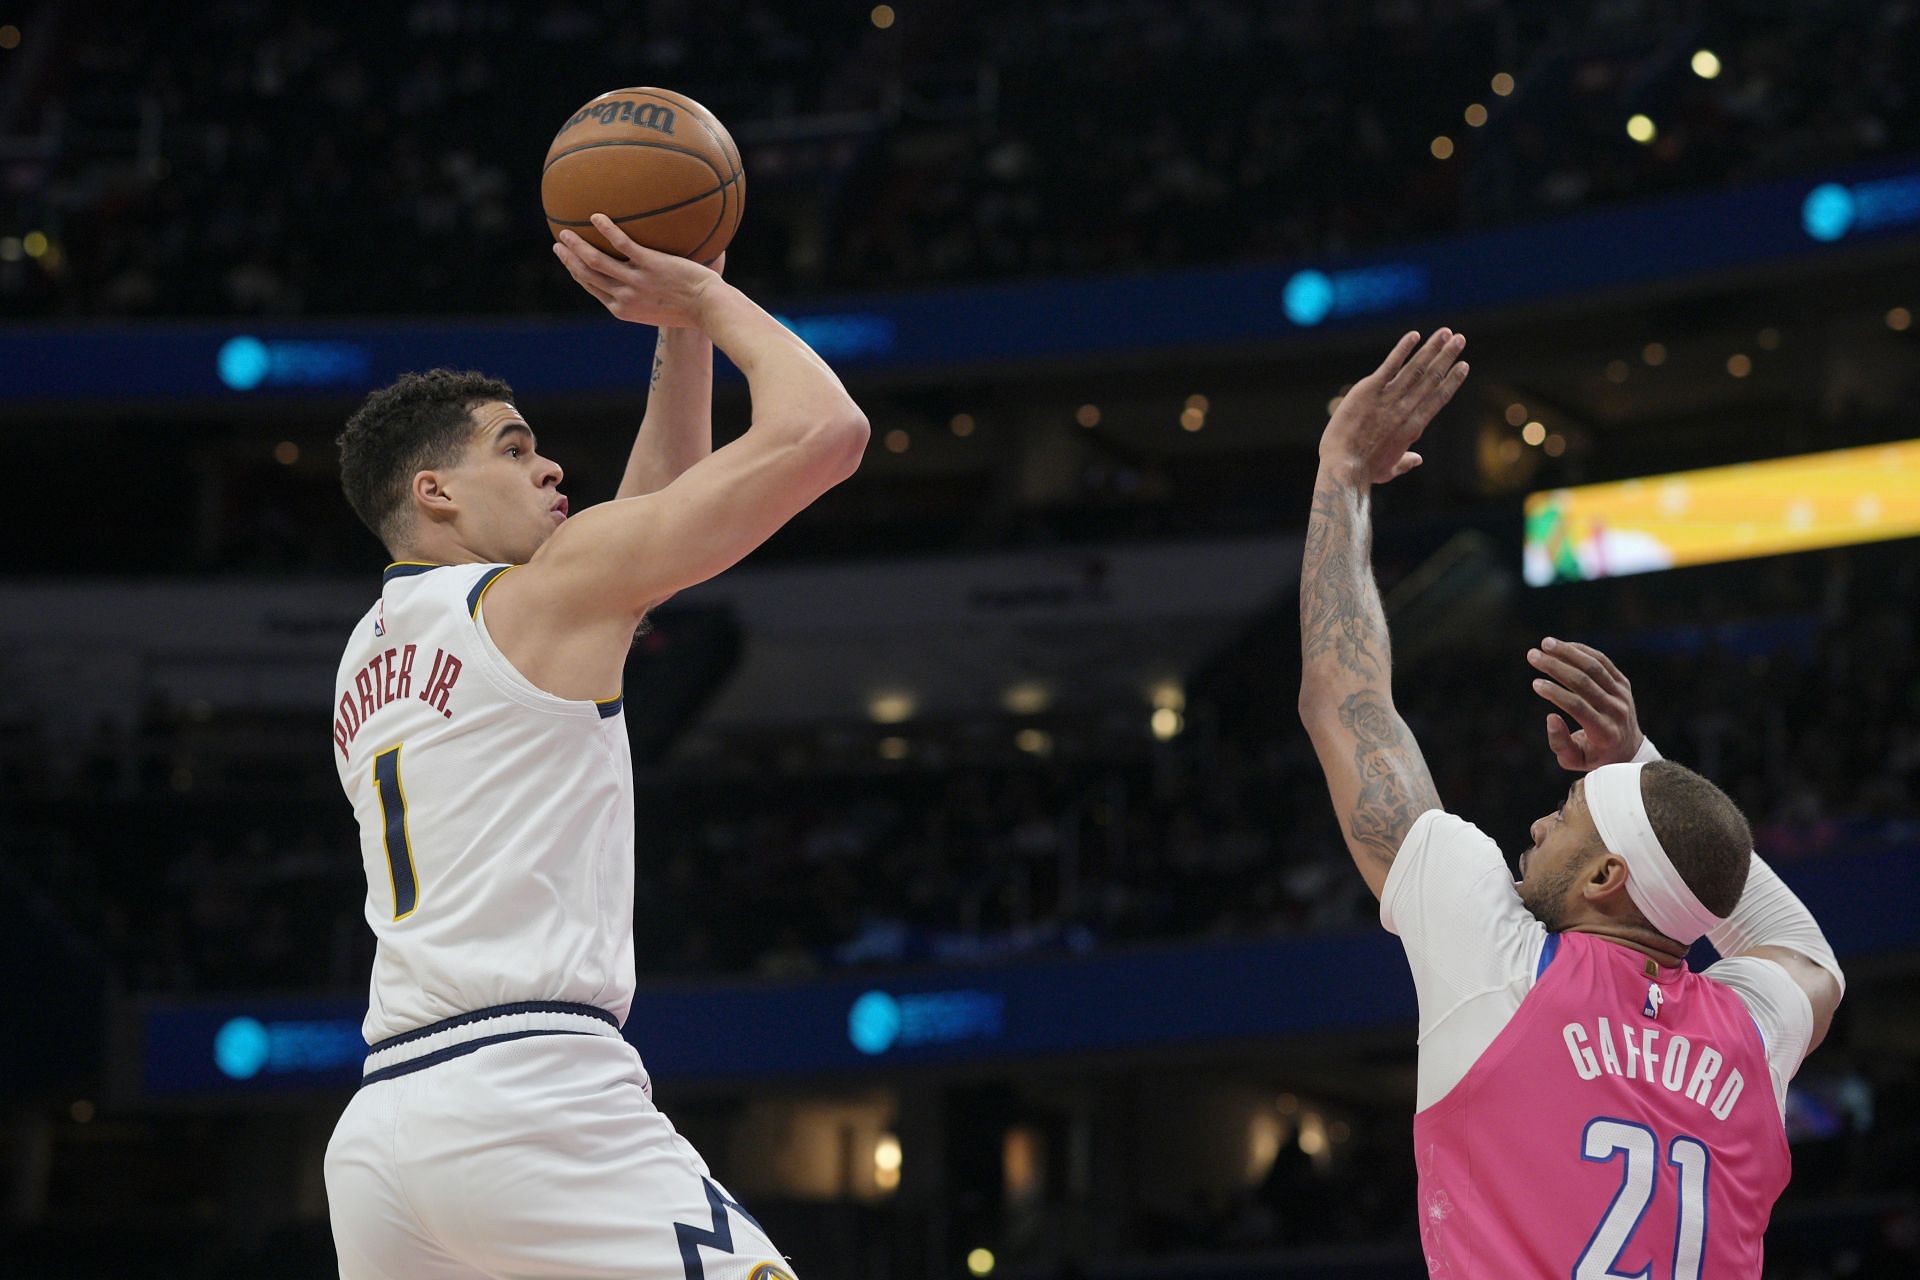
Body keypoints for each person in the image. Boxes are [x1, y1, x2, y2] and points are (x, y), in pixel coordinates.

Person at [323, 216, 869, 1280]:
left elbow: (647, 534)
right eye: (515, 448)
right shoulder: (535, 599)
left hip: (386, 1127)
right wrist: (709, 301)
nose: (551, 463)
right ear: (434, 491)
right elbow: (825, 432)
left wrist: (679, 333)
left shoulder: (365, 653)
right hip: (531, 1096)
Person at [1296, 330, 1845, 1277]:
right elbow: (1807, 956)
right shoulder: (1751, 1037)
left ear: (1605, 875)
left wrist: (1342, 474)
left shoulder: (1502, 965)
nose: (1541, 821)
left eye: (1572, 818)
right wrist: (1644, 772)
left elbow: (1342, 702)